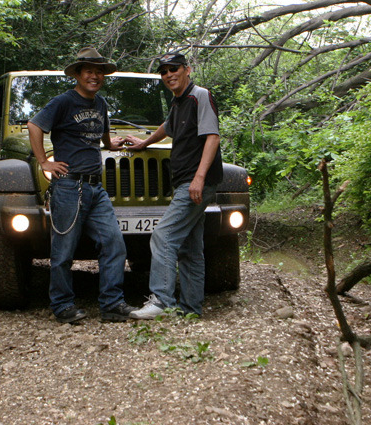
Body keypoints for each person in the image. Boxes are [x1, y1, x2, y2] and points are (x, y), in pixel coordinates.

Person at [27, 48, 137, 324]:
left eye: (99, 71)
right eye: (88, 70)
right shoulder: (64, 102)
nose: (95, 76)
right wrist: (44, 162)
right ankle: (62, 306)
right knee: (63, 251)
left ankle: (112, 304)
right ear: (77, 74)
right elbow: (34, 126)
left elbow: (103, 140)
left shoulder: (100, 104)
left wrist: (118, 143)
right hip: (69, 186)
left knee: (114, 244)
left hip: (96, 188)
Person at [125, 52, 224, 319]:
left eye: (174, 69)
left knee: (163, 236)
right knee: (190, 248)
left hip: (194, 182)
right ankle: (191, 309)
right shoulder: (179, 102)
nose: (169, 74)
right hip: (185, 181)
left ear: (187, 69)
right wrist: (145, 143)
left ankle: (162, 302)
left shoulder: (199, 96)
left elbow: (212, 138)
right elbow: (168, 127)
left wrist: (199, 178)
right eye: (164, 71)